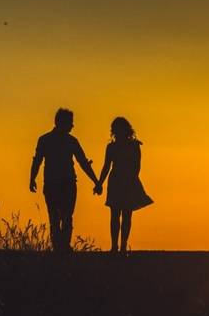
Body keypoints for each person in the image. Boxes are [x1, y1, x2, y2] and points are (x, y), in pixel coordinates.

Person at [29, 108, 100, 252]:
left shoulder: (46, 139)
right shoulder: (68, 141)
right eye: (70, 123)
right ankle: (62, 247)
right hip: (62, 184)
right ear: (63, 123)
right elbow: (83, 162)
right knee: (64, 217)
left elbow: (37, 161)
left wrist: (32, 179)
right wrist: (96, 181)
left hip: (55, 183)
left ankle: (60, 247)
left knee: (57, 217)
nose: (72, 126)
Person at [95, 117, 153, 252]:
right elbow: (106, 166)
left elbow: (137, 166)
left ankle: (123, 246)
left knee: (126, 214)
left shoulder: (134, 146)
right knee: (115, 214)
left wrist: (130, 180)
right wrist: (99, 183)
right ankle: (115, 246)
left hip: (128, 180)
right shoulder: (111, 147)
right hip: (116, 181)